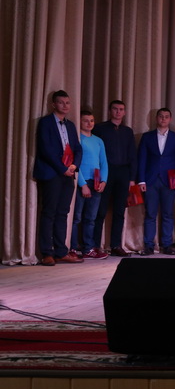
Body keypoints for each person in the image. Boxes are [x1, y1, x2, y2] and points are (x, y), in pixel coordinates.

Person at [34, 91, 83, 266]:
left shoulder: (70, 125)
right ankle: (47, 253)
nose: (65, 106)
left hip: (68, 174)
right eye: (61, 102)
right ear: (54, 104)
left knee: (63, 213)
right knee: (49, 212)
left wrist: (74, 166)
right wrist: (62, 169)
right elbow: (45, 149)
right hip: (52, 173)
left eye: (67, 103)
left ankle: (61, 251)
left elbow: (78, 148)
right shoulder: (46, 122)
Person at [136, 107, 175, 255]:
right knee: (150, 214)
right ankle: (149, 246)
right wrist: (141, 180)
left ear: (170, 119)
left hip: (169, 181)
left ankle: (167, 245)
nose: (163, 119)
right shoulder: (147, 137)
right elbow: (142, 159)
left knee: (168, 214)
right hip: (150, 180)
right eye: (161, 116)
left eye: (166, 116)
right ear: (157, 118)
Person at [93, 100, 137, 257]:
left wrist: (132, 178)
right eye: (115, 109)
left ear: (124, 112)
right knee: (100, 210)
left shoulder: (128, 131)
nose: (118, 112)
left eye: (121, 109)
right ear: (110, 111)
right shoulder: (100, 128)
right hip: (106, 172)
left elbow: (132, 155)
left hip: (123, 173)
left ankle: (116, 245)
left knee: (119, 211)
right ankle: (95, 245)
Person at [70, 110, 109, 260]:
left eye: (91, 120)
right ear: (79, 121)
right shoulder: (77, 139)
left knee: (91, 218)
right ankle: (72, 248)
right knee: (76, 217)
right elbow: (75, 163)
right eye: (85, 120)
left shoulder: (99, 140)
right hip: (81, 182)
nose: (89, 123)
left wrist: (104, 181)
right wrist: (82, 184)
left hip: (96, 182)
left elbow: (104, 162)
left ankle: (88, 248)